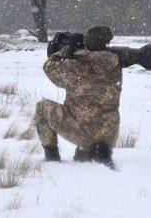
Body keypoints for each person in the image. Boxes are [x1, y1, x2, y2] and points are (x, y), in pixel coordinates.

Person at [34, 26, 121, 169]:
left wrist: (67, 49)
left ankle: (52, 158)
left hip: (83, 130)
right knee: (82, 157)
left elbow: (49, 67)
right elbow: (100, 60)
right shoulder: (115, 65)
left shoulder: (74, 66)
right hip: (109, 134)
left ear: (88, 43)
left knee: (42, 107)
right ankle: (99, 151)